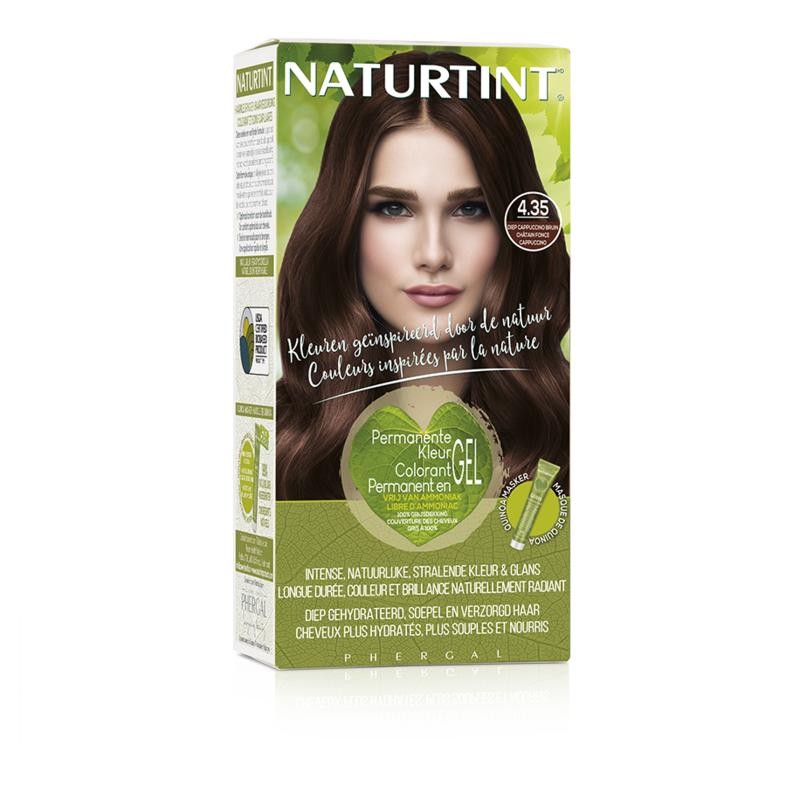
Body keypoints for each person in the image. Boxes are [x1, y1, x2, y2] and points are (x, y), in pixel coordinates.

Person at [277, 50, 569, 500]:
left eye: (470, 209)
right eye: (394, 208)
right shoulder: (282, 443)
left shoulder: (569, 431)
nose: (433, 254)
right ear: (344, 226)